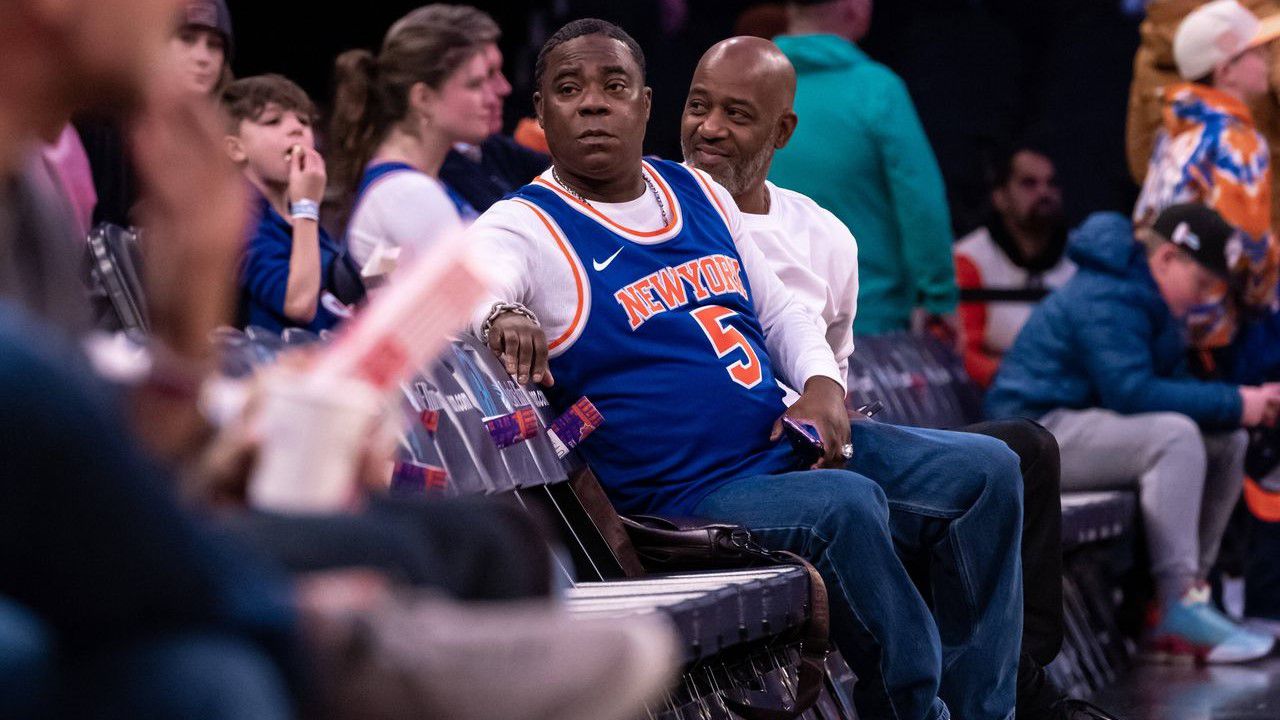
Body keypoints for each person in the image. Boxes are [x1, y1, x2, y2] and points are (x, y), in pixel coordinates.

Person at [469, 18, 1025, 720]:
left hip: (781, 449)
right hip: (687, 495)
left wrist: (822, 385)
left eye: (613, 87)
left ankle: (984, 712)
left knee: (988, 472)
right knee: (847, 507)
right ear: (542, 111)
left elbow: (784, 315)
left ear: (646, 104)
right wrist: (500, 315)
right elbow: (472, 278)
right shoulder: (524, 225)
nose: (592, 103)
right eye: (568, 89)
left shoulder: (699, 194)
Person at [680, 36, 1113, 720]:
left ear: (782, 129)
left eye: (736, 113)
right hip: (723, 468)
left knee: (1004, 463)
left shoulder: (825, 235)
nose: (709, 127)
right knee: (855, 503)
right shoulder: (656, 214)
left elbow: (826, 359)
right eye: (698, 105)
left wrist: (830, 411)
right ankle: (992, 701)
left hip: (812, 445)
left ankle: (994, 705)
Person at [986, 204, 1280, 663]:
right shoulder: (1108, 292)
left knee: (1227, 443)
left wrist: (1245, 401)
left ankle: (1184, 603)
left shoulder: (1145, 297)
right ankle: (1179, 598)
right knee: (1174, 436)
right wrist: (1241, 402)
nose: (1203, 299)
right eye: (1201, 284)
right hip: (1031, 436)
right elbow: (1132, 392)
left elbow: (1168, 386)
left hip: (1078, 427)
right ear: (1165, 260)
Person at [767, 0, 957, 339]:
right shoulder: (878, 90)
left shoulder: (754, 89)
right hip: (865, 328)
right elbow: (921, 204)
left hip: (764, 329)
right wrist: (939, 298)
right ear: (854, 7)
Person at [1134, 0, 1280, 350]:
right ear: (1225, 72)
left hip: (1163, 319)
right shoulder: (1237, 142)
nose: (1266, 62)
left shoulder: (1172, 135)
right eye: (1256, 54)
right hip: (1219, 330)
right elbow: (1250, 250)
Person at [330, 4, 500, 274]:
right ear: (423, 99)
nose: (495, 94)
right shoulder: (407, 194)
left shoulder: (416, 185)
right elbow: (481, 308)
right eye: (475, 84)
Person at [224, 75, 360, 333]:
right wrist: (307, 204)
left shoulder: (296, 217)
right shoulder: (238, 218)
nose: (297, 129)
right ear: (235, 149)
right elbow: (298, 303)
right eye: (273, 121)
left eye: (304, 121)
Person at [955, 146, 1076, 388]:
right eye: (1029, 183)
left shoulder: (1080, 257)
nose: (1044, 192)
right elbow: (959, 351)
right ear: (1000, 197)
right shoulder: (970, 258)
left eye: (1051, 184)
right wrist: (1019, 381)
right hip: (993, 395)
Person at [439, 21, 552, 213]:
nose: (505, 88)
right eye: (480, 79)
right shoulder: (423, 176)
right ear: (426, 94)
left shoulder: (491, 146)